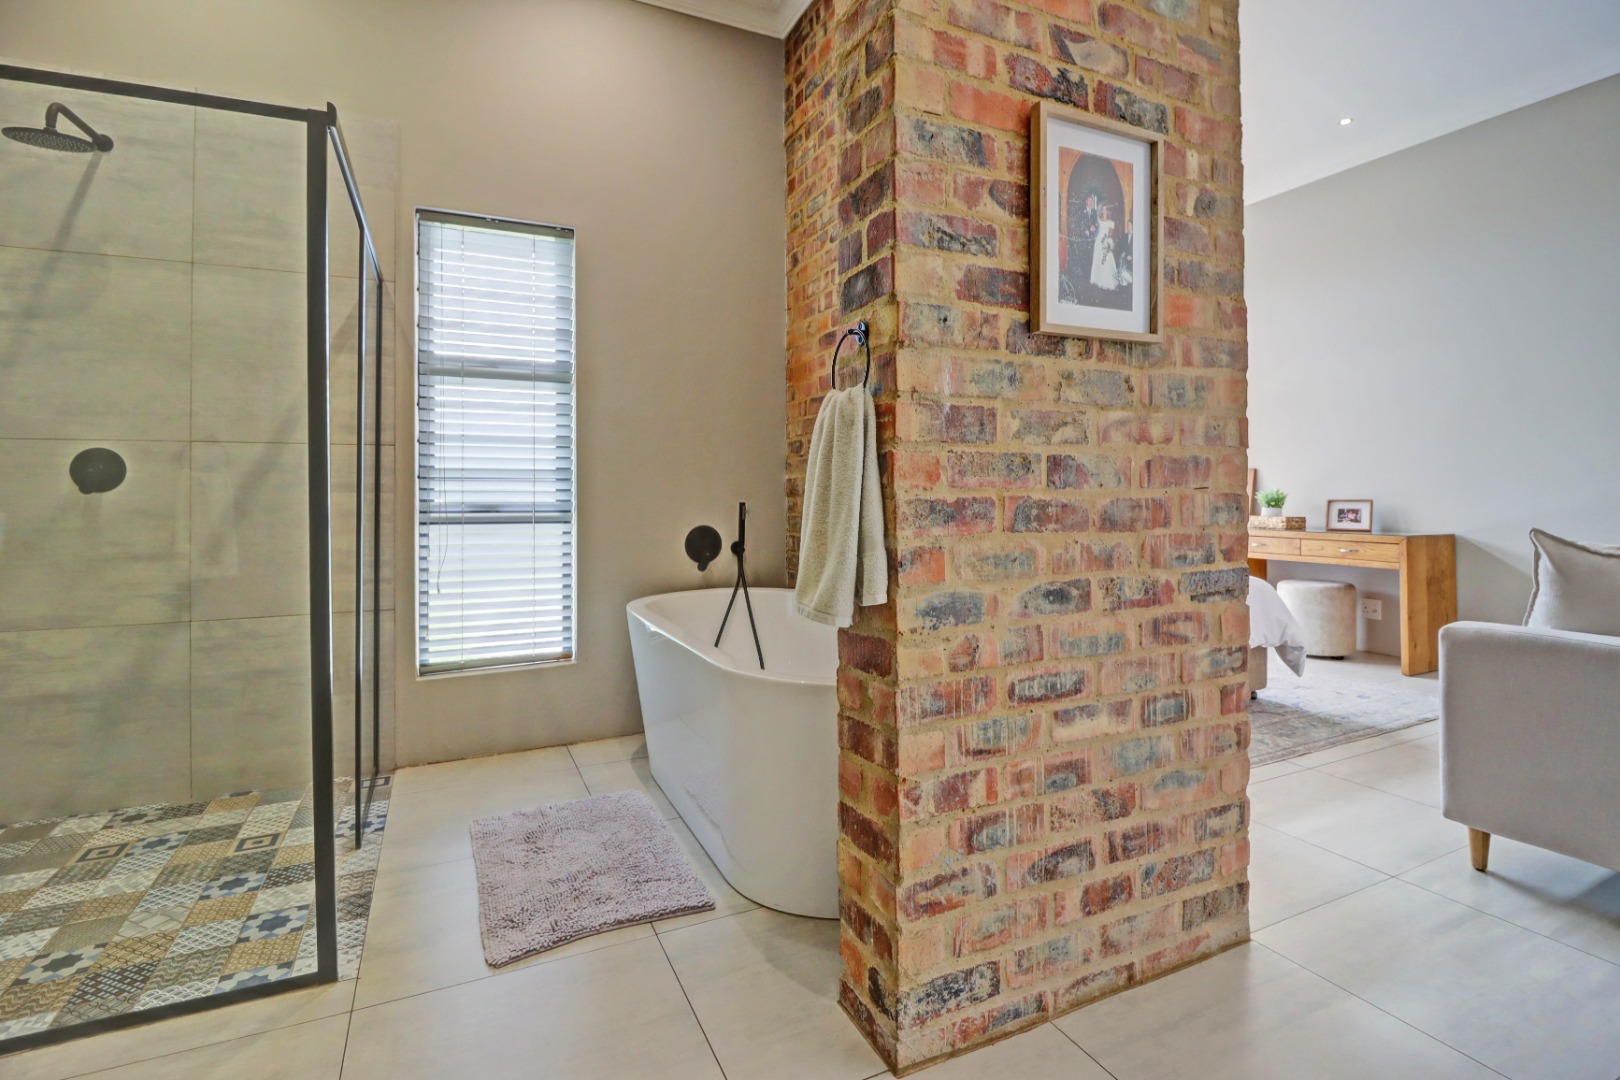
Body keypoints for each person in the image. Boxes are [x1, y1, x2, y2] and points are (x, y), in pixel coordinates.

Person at [1089, 204, 1118, 290]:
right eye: (1103, 209)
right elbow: (1095, 229)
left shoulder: (1111, 222)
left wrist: (1107, 239)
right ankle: (1097, 280)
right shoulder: (1099, 220)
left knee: (1106, 260)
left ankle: (1107, 281)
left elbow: (1111, 234)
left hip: (1105, 241)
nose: (1104, 211)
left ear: (1108, 211)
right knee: (1097, 259)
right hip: (1098, 241)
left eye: (1105, 209)